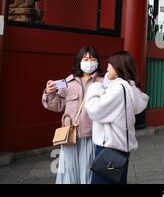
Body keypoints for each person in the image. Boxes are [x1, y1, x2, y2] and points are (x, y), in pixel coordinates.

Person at [85, 51, 149, 184]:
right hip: (120, 148)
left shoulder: (118, 88)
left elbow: (95, 110)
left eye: (110, 64)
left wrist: (95, 87)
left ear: (118, 66)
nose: (107, 66)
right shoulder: (127, 87)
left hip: (109, 148)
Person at [42, 46, 103, 184]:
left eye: (93, 59)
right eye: (86, 59)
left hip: (91, 135)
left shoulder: (103, 82)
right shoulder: (67, 82)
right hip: (70, 135)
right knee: (69, 169)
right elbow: (57, 105)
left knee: (88, 170)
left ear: (98, 62)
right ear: (79, 61)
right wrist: (49, 92)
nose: (89, 62)